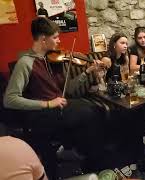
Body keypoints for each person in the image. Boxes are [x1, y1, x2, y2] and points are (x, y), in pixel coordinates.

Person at [3, 17, 110, 173]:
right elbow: (10, 100)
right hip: (42, 114)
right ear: (43, 39)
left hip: (59, 108)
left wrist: (87, 72)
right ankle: (90, 161)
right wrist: (47, 104)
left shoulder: (54, 60)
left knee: (95, 110)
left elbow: (68, 91)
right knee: (90, 113)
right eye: (55, 37)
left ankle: (85, 158)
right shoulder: (25, 62)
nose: (59, 41)